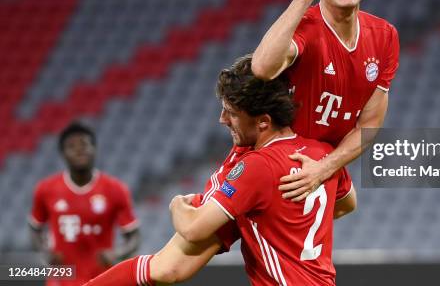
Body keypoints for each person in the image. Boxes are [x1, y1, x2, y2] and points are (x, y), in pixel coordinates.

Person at [85, 55, 356, 286]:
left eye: (232, 113)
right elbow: (346, 204)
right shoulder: (321, 153)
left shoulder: (257, 165)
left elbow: (192, 229)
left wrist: (177, 205)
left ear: (263, 122)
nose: (222, 119)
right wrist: (275, 216)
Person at [251, 0, 400, 201]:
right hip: (280, 159)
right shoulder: (305, 26)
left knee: (347, 203)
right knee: (199, 237)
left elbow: (369, 124)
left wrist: (324, 168)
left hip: (321, 162)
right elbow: (261, 68)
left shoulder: (385, 36)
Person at [29, 122, 140, 285]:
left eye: (84, 144)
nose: (79, 150)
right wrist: (45, 252)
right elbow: (34, 228)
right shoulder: (45, 189)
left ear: (94, 149)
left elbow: (134, 236)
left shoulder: (115, 189)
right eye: (71, 146)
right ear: (63, 153)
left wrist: (117, 253)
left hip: (101, 278)